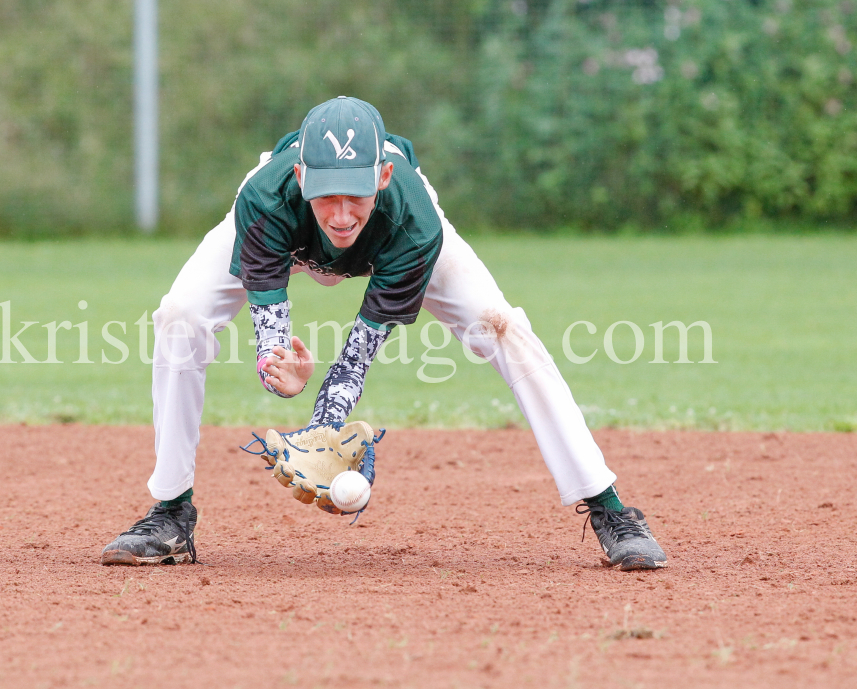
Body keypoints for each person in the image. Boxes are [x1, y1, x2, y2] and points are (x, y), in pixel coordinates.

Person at [101, 96, 667, 571]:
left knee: (505, 327)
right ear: (300, 177)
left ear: (385, 176)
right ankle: (171, 513)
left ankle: (608, 506)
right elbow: (271, 336)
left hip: (396, 238)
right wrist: (281, 376)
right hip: (280, 232)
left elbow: (360, 352)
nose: (343, 214)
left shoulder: (413, 222)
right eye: (326, 194)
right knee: (178, 316)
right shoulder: (266, 200)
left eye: (357, 194)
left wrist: (323, 428)